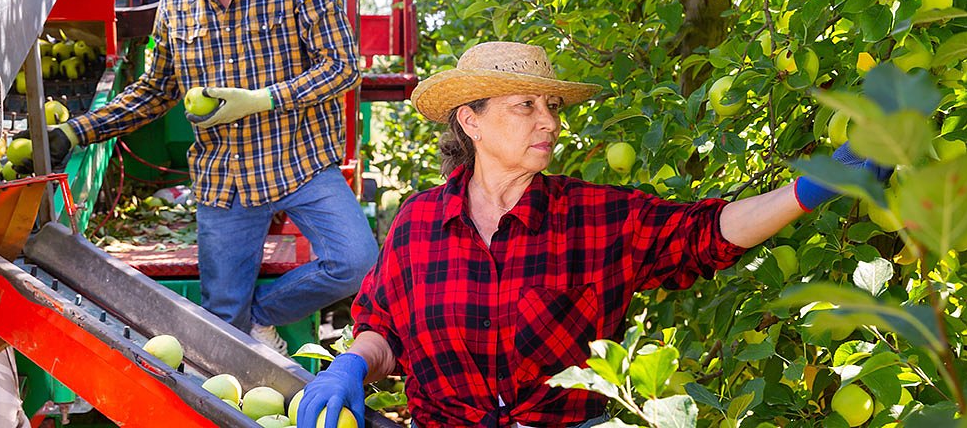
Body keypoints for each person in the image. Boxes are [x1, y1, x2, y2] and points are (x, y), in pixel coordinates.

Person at [293, 42, 893, 427]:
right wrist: (351, 364)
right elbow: (385, 330)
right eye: (525, 105)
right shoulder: (419, 223)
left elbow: (706, 232)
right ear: (470, 120)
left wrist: (804, 191)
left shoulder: (596, 217)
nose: (549, 121)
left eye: (553, 106)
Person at [43, 0, 377, 353]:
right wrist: (76, 132)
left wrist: (261, 100)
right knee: (223, 323)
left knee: (356, 262)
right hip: (228, 178)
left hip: (300, 162)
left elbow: (344, 67)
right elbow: (155, 91)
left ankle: (266, 313)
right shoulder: (177, 1)